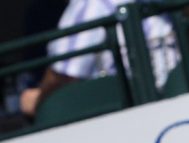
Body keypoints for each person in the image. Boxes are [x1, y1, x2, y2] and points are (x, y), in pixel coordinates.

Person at [19, 0, 179, 119]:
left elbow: (63, 76)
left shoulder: (92, 4)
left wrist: (39, 100)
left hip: (126, 114)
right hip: (169, 105)